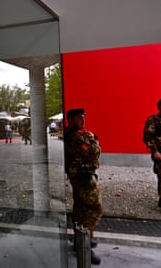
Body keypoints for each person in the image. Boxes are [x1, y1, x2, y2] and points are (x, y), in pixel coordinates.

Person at [64, 108, 102, 265]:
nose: (83, 120)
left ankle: (80, 242)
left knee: (80, 208)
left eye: (84, 117)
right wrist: (93, 140)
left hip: (82, 176)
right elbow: (93, 153)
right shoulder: (75, 137)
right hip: (83, 177)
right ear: (71, 120)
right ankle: (85, 244)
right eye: (79, 118)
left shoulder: (77, 135)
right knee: (93, 208)